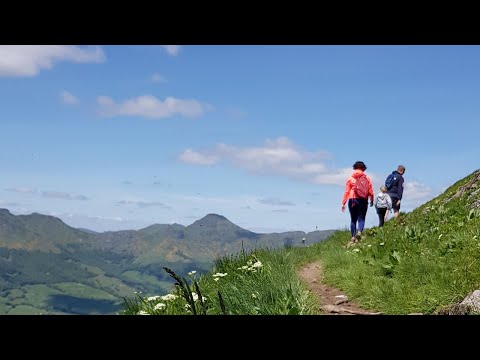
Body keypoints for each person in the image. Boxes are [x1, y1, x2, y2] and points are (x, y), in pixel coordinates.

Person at [341, 161, 374, 245]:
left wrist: (343, 203)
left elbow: (347, 191)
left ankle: (353, 237)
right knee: (361, 218)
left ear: (355, 168)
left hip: (352, 199)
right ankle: (359, 232)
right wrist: (372, 199)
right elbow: (370, 190)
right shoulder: (367, 178)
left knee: (353, 219)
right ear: (363, 168)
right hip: (363, 200)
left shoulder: (350, 178)